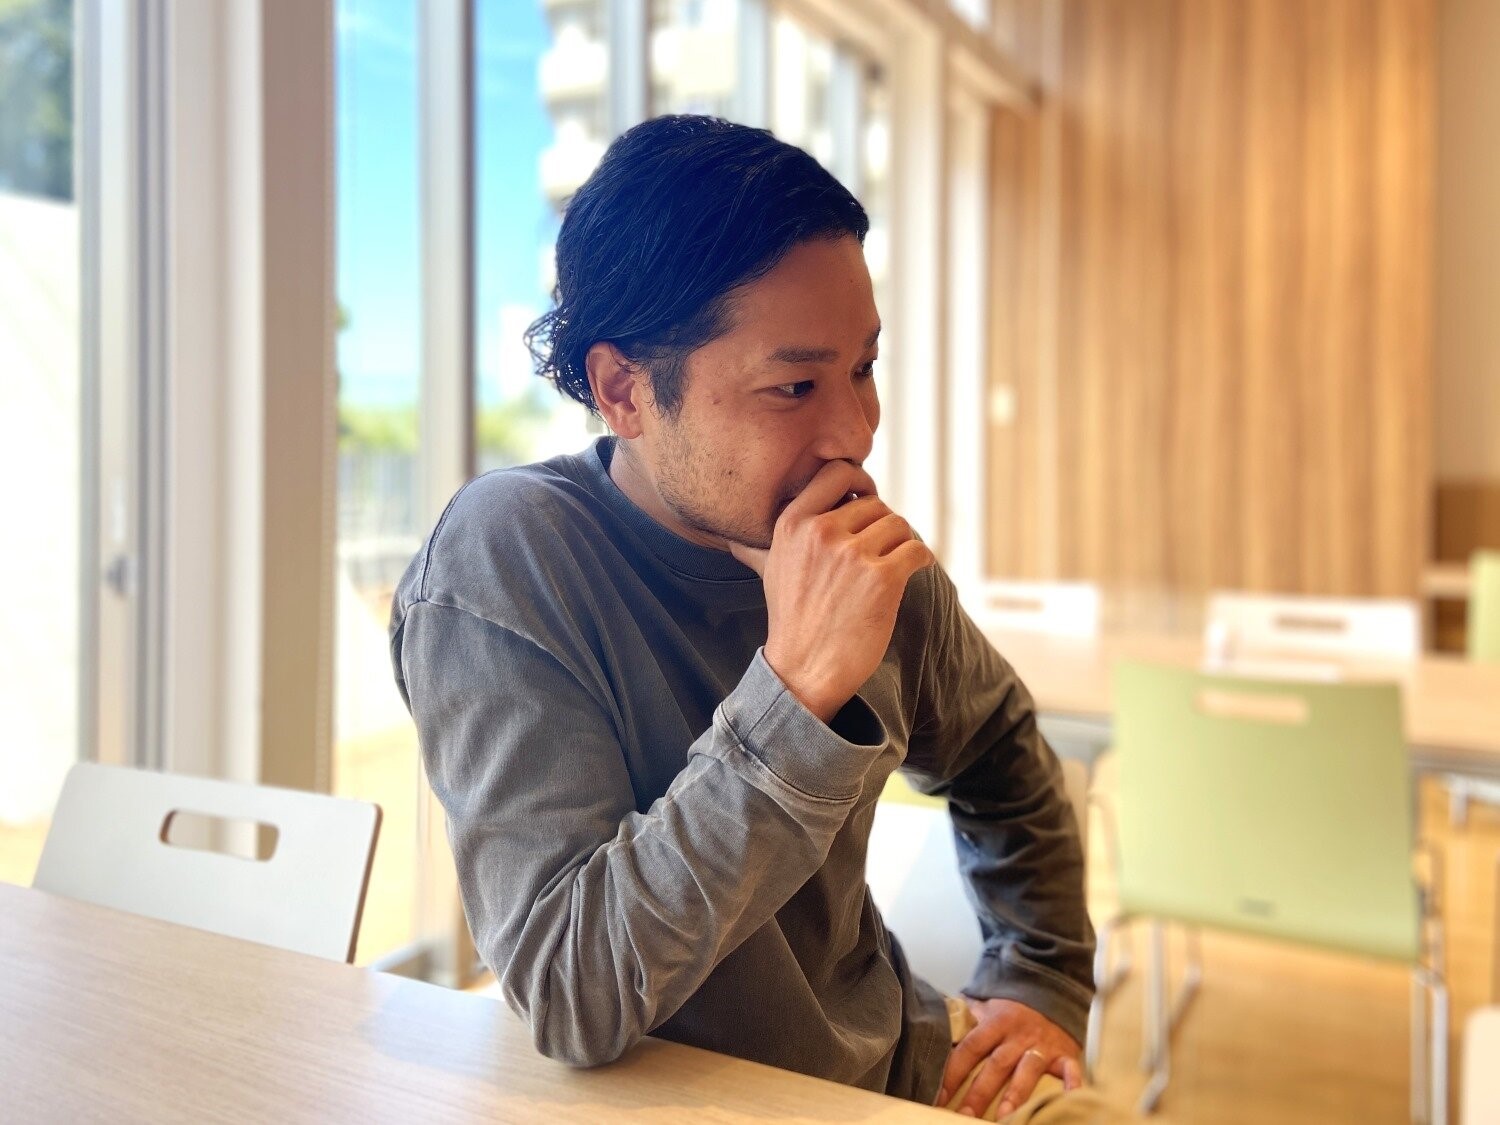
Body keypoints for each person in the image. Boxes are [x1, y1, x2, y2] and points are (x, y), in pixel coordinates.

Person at [391, 115, 1099, 1121]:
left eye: (864, 369)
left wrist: (1043, 977)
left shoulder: (864, 558)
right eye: (794, 385)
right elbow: (569, 991)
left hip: (896, 1080)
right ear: (624, 390)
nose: (854, 432)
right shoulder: (512, 557)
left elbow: (1000, 751)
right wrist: (795, 692)